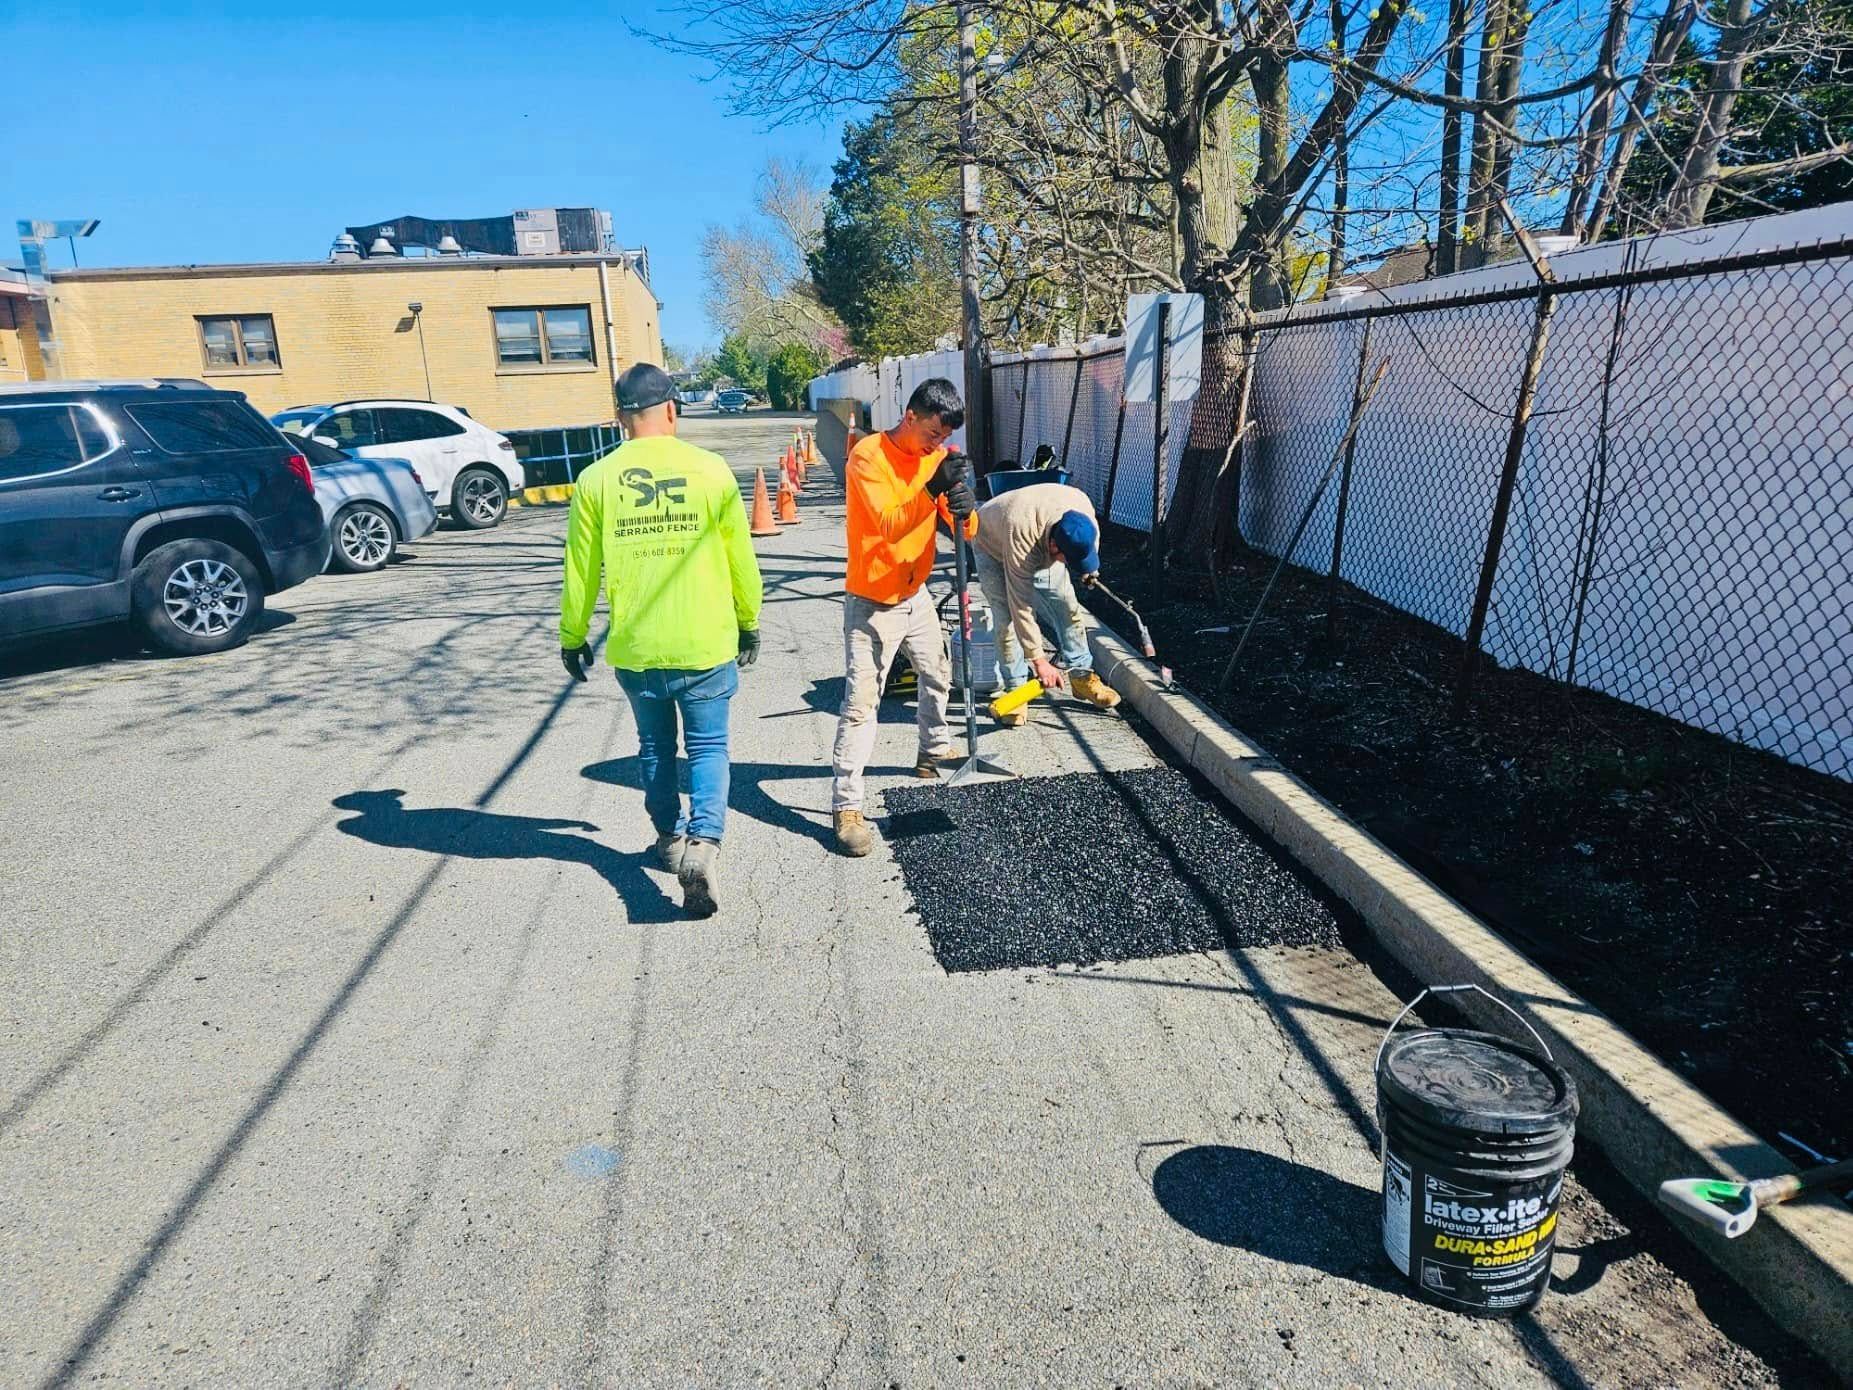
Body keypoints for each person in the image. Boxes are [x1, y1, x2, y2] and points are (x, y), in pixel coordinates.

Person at [560, 362, 763, 917]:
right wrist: (749, 619)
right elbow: (739, 559)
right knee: (708, 747)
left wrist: (573, 636)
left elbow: (581, 570)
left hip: (638, 648)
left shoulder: (595, 480)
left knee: (654, 749)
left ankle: (670, 838)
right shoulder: (711, 470)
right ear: (671, 408)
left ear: (621, 417)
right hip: (705, 642)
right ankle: (704, 842)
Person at [831, 378, 979, 857]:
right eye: (933, 434)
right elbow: (890, 525)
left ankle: (932, 749)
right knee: (861, 705)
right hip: (872, 601)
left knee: (937, 673)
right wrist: (932, 487)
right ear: (910, 416)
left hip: (915, 595)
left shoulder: (932, 459)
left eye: (943, 439)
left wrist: (964, 500)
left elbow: (965, 532)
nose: (937, 445)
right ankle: (847, 807)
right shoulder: (868, 456)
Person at [971, 480, 1121, 726]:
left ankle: (1082, 677)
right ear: (1053, 547)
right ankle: (1016, 690)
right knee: (1006, 618)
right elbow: (1022, 606)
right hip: (991, 544)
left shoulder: (1082, 514)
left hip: (1038, 534)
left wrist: (1088, 569)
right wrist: (1039, 661)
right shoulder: (1022, 535)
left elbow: (1087, 547)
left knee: (1067, 605)